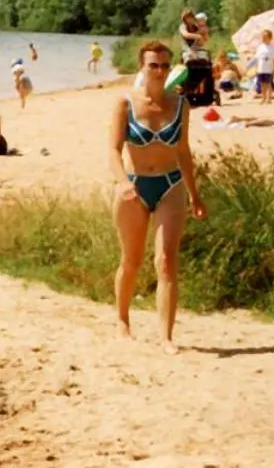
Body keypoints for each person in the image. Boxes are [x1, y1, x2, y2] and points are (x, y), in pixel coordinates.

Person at [110, 40, 207, 353]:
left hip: (170, 185)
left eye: (165, 66)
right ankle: (122, 321)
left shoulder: (180, 105)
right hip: (134, 187)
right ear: (142, 66)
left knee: (166, 261)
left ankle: (166, 337)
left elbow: (183, 151)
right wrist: (122, 182)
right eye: (154, 65)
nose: (160, 71)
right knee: (132, 260)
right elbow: (113, 150)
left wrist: (195, 195)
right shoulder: (125, 103)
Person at [254, 29, 274, 103]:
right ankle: (263, 98)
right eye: (263, 36)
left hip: (269, 68)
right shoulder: (260, 47)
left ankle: (269, 98)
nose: (263, 38)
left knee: (268, 83)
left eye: (265, 36)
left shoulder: (273, 47)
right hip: (261, 68)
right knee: (262, 84)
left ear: (270, 37)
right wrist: (256, 68)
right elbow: (257, 58)